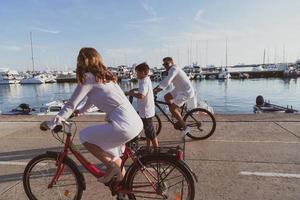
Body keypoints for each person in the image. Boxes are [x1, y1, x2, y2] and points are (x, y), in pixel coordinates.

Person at [44, 47, 143, 184]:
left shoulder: (88, 78)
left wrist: (53, 122)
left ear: (82, 61)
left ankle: (111, 167)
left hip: (123, 124)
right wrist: (81, 111)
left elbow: (71, 104)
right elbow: (91, 99)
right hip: (134, 121)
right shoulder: (105, 77)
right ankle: (123, 191)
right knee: (114, 155)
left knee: (85, 136)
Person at [153, 57, 195, 137]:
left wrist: (156, 91)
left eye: (167, 64)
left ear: (172, 63)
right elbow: (164, 81)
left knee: (172, 108)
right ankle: (176, 114)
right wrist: (154, 89)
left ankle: (185, 128)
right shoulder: (171, 70)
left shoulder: (174, 69)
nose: (165, 65)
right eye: (164, 64)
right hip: (179, 89)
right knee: (167, 97)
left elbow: (167, 82)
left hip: (186, 91)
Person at [125, 62, 158, 149]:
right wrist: (135, 89)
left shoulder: (144, 82)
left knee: (150, 131)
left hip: (146, 111)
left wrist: (130, 93)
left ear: (143, 72)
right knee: (147, 131)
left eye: (137, 72)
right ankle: (148, 147)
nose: (136, 74)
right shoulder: (145, 79)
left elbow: (141, 96)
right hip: (146, 110)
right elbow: (143, 90)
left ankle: (156, 149)